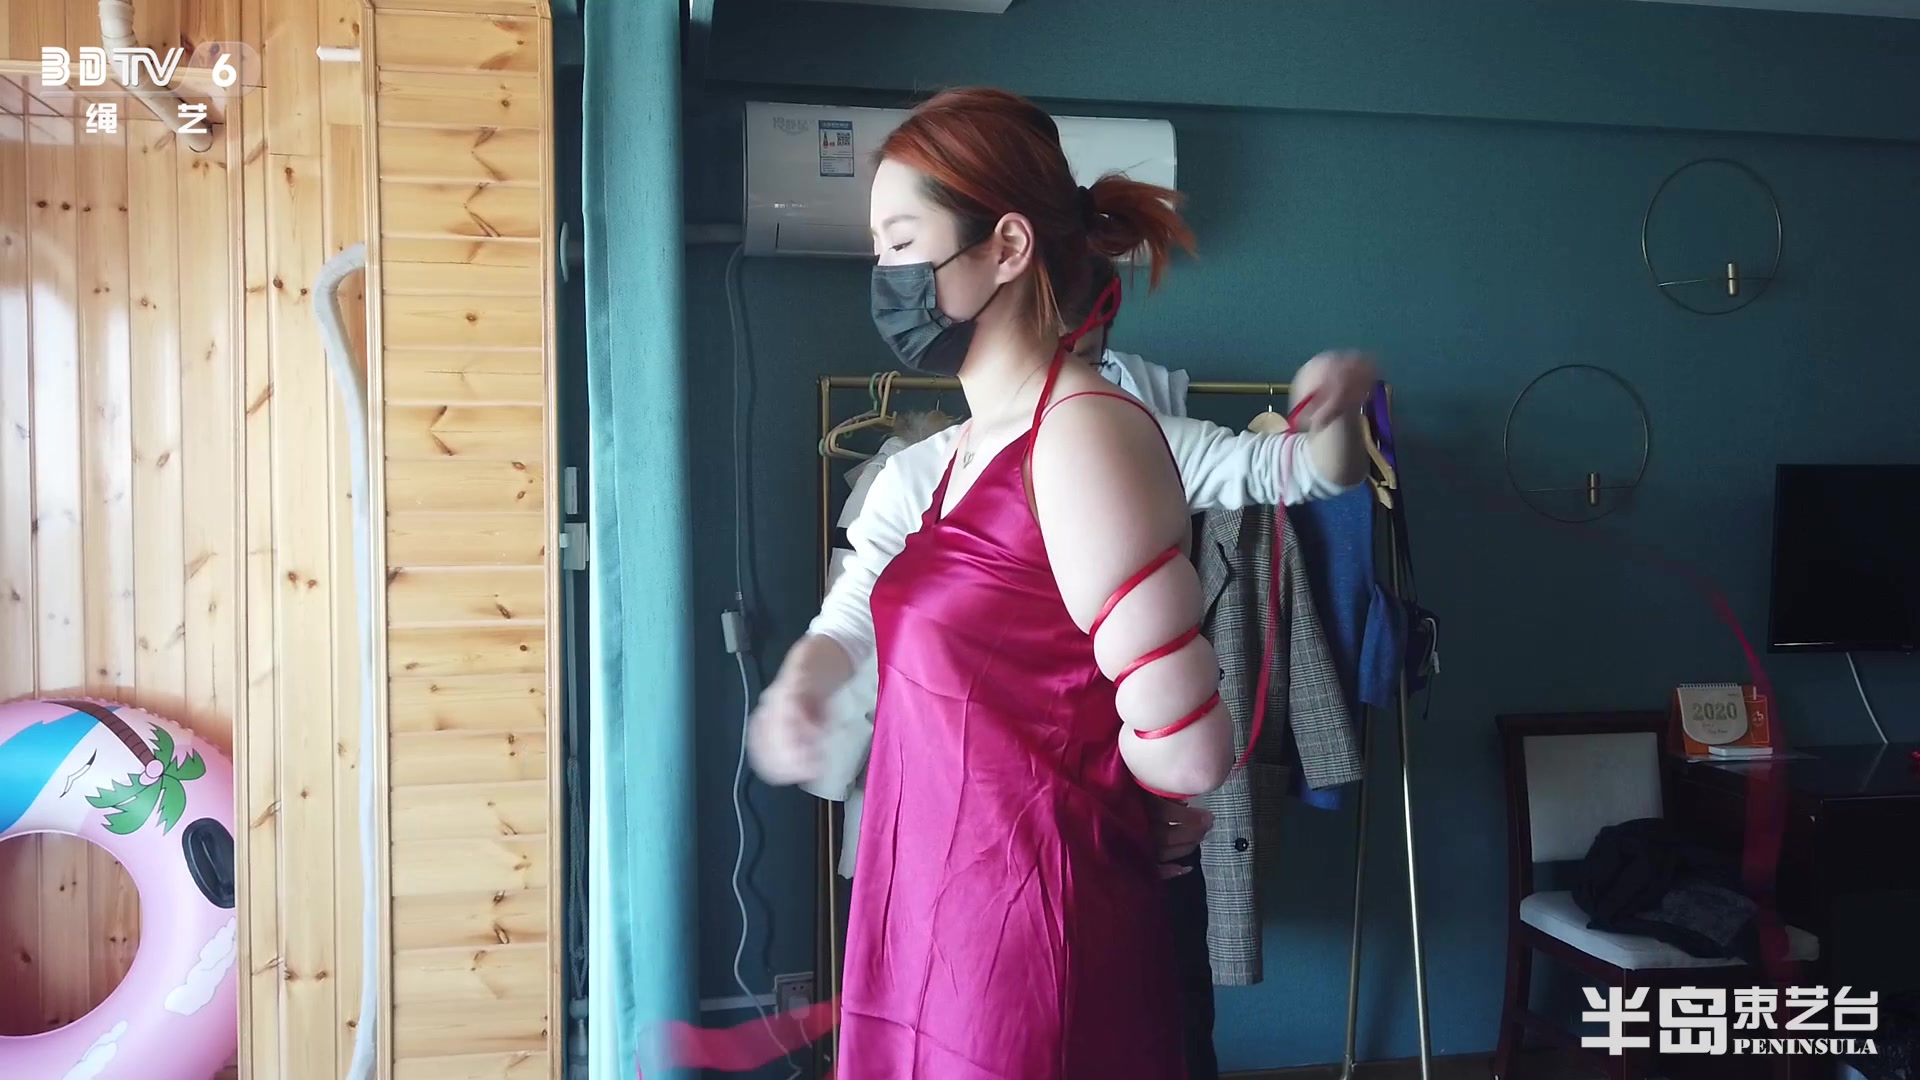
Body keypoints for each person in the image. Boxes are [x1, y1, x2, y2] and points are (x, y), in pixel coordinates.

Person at [748, 88, 1376, 1079]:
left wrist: (1138, 792)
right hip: (930, 900)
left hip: (1023, 929)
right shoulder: (941, 463)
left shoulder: (1082, 436)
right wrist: (806, 680)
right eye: (878, 248)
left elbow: (1185, 735)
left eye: (902, 242)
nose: (885, 276)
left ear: (1007, 246)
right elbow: (860, 607)